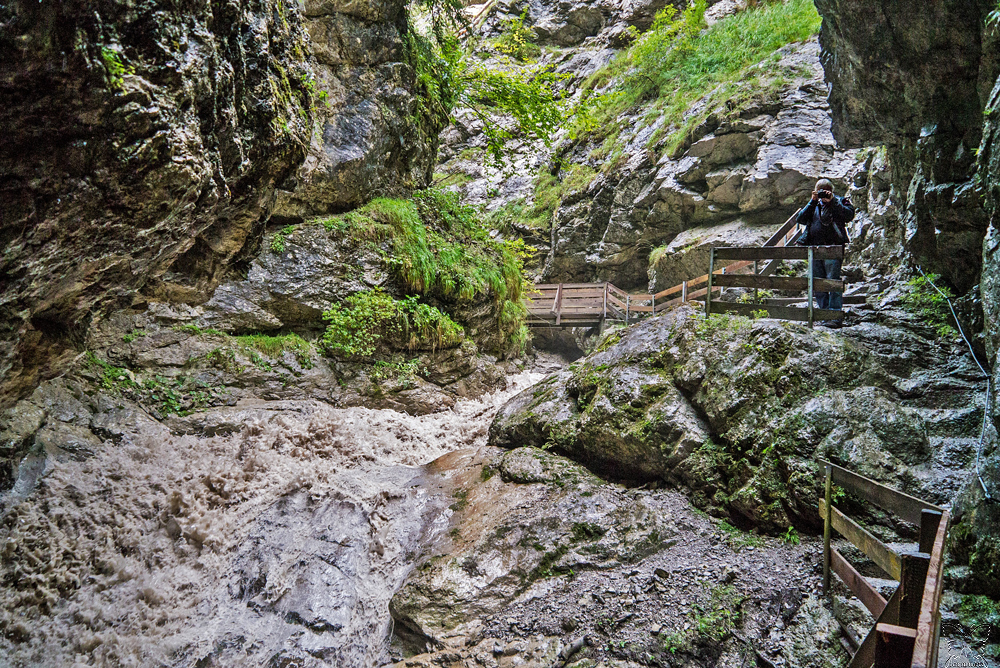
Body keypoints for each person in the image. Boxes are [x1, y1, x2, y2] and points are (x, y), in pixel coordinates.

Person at [795, 178, 855, 310]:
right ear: (815, 192)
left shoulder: (840, 201)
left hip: (833, 248)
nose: (823, 194)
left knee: (832, 281)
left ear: (831, 191)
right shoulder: (814, 204)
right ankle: (824, 312)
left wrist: (833, 201)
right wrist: (812, 201)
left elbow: (849, 215)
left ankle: (834, 314)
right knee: (818, 282)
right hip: (815, 249)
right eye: (820, 192)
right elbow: (800, 219)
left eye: (826, 191)